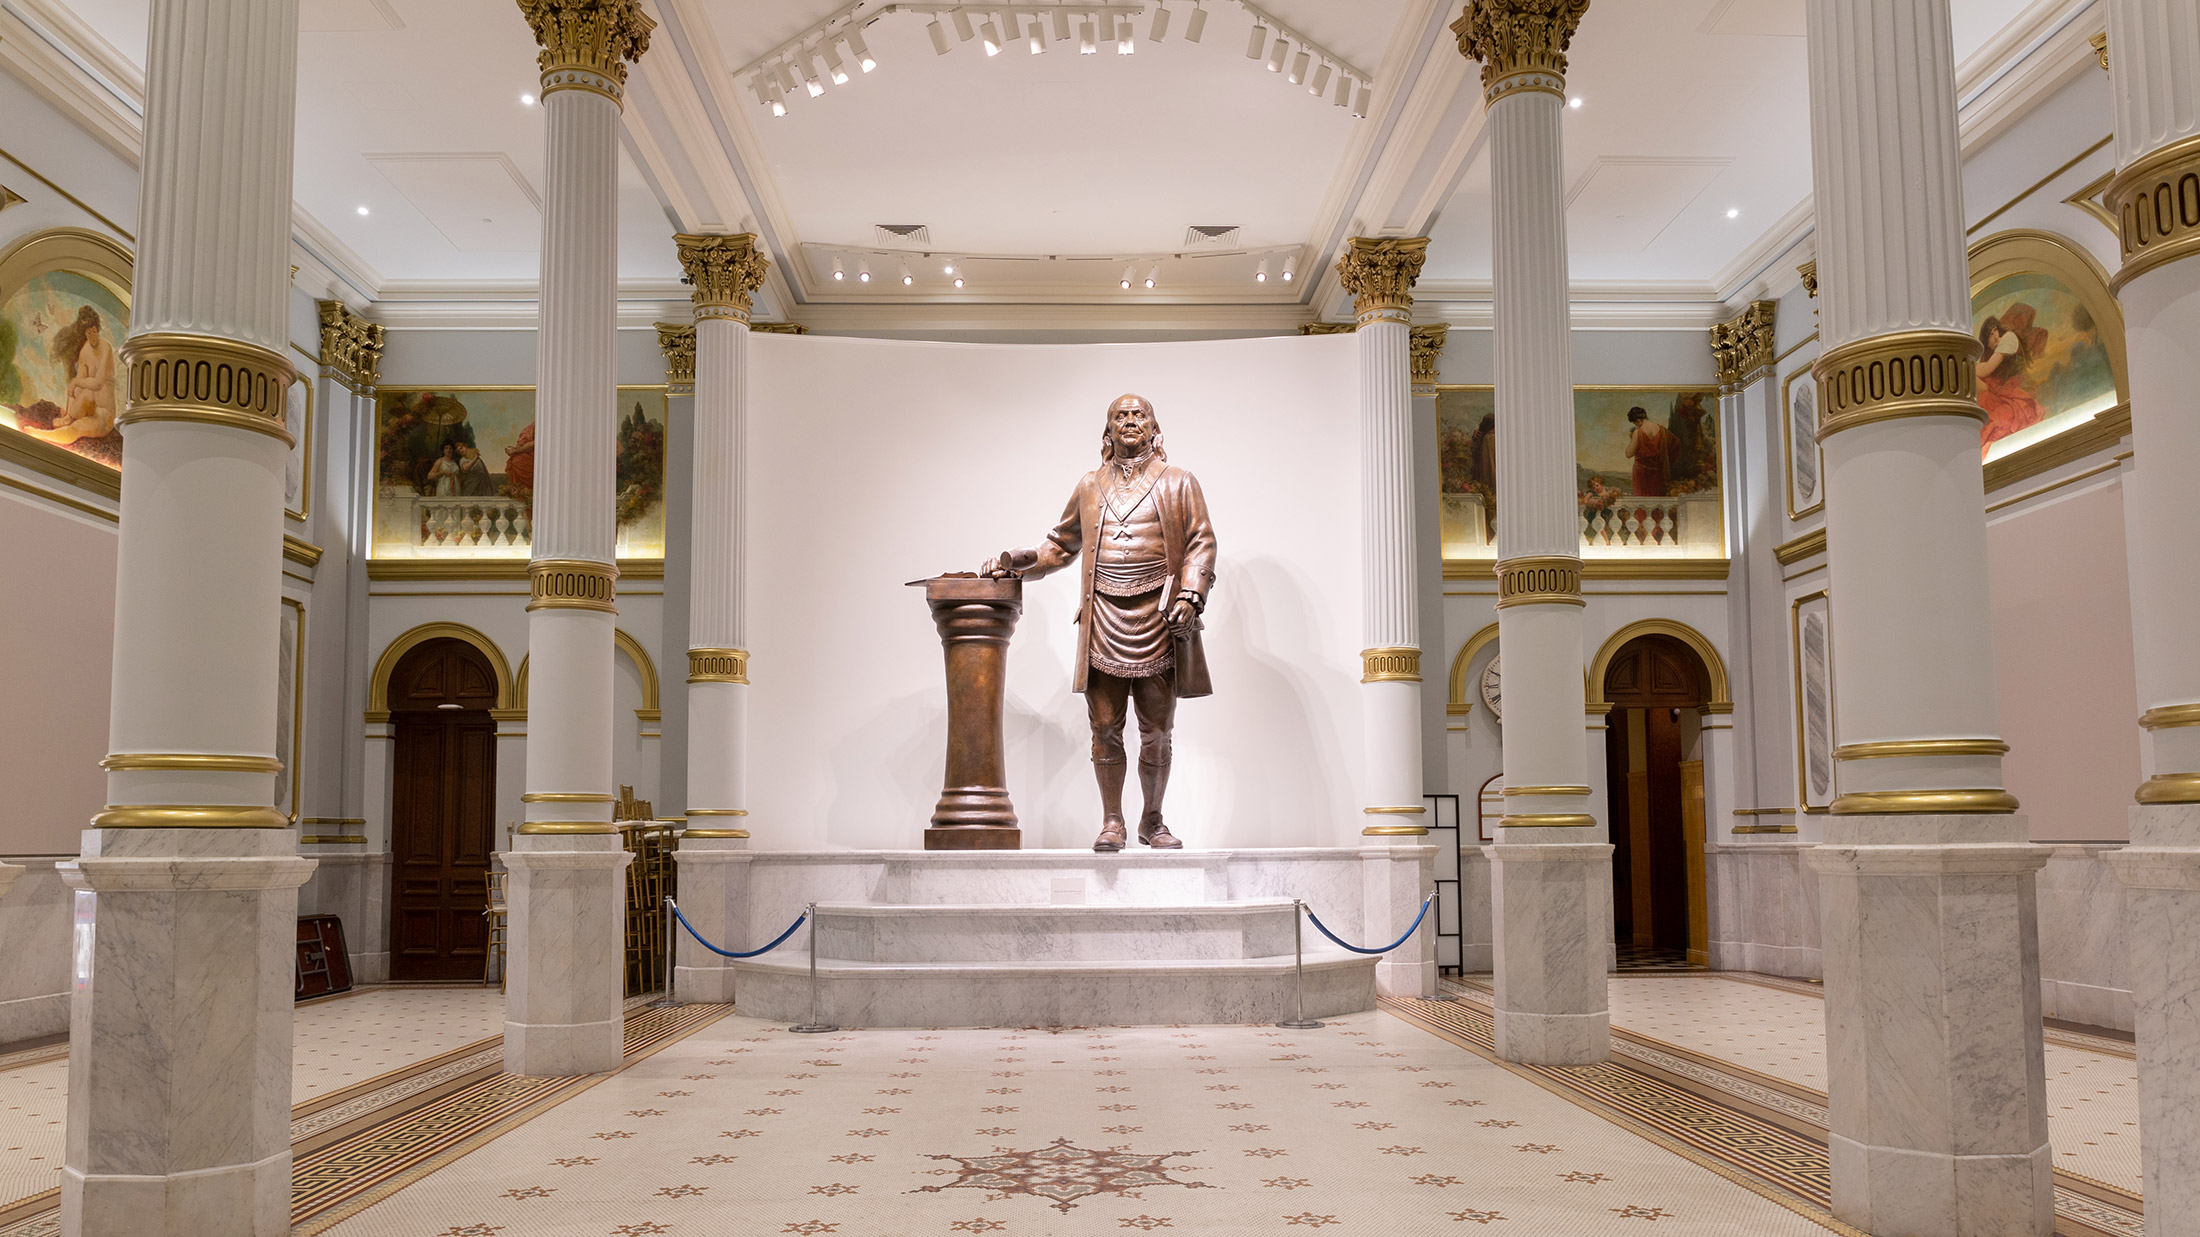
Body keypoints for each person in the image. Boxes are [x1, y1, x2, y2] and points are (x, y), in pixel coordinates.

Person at [986, 394, 1218, 853]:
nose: (1130, 421)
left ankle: (1152, 819)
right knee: (1105, 727)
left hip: (1159, 619)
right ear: (1107, 431)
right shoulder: (1090, 486)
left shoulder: (1179, 482)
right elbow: (1059, 544)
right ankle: (1112, 820)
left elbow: (1201, 542)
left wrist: (1191, 593)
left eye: (1139, 415)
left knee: (1157, 729)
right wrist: (1017, 563)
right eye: (1120, 415)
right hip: (1103, 620)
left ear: (1154, 428)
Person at [25, 306, 117, 446]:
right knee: (86, 393)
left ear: (97, 329)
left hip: (104, 415)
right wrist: (68, 412)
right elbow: (77, 382)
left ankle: (41, 434)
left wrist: (76, 383)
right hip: (88, 406)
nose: (92, 336)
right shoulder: (85, 350)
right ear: (84, 333)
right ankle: (69, 417)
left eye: (94, 331)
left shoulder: (105, 348)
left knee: (77, 427)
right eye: (88, 333)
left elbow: (98, 383)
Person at [1977, 309, 2044, 454]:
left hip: (2017, 389)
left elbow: (1987, 368)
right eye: (1990, 335)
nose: (1995, 337)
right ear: (1986, 342)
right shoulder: (1989, 354)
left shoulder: (2009, 338)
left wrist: (1964, 367)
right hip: (2002, 392)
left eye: (1995, 331)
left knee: (1998, 417)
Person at [1624, 405, 1674, 497]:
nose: (1636, 425)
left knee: (1642, 502)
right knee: (1656, 500)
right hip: (1658, 472)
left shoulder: (1638, 432)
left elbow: (1628, 453)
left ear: (1638, 421)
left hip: (1642, 473)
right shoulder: (1661, 429)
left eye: (1635, 423)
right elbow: (1675, 443)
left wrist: (1632, 438)